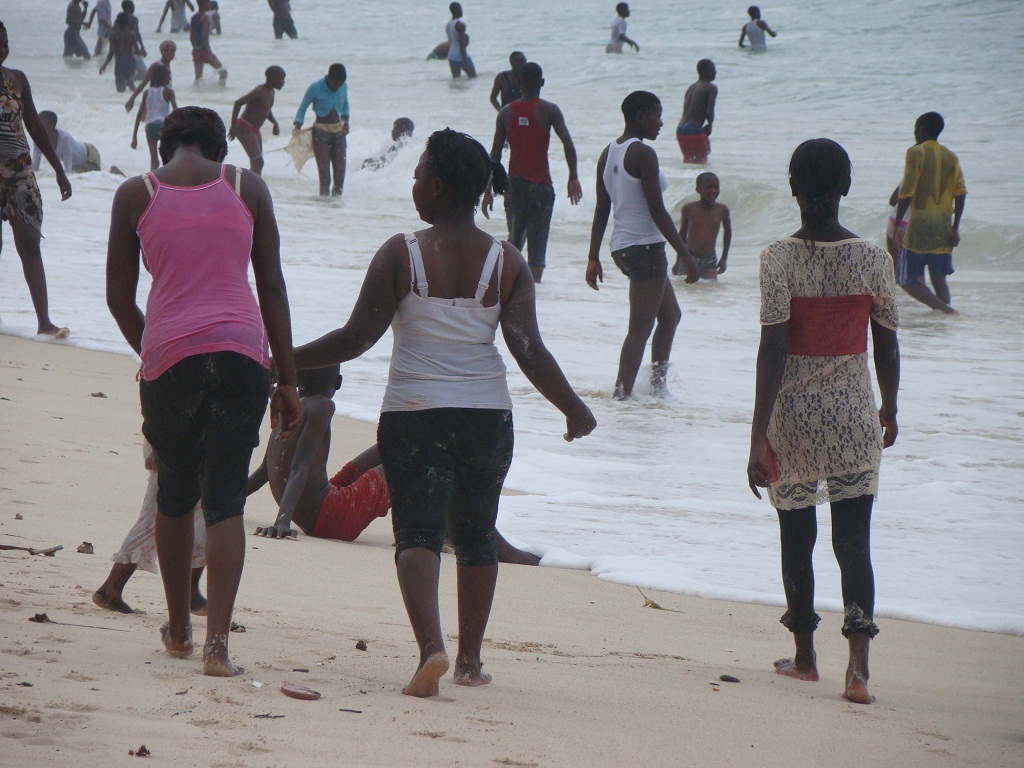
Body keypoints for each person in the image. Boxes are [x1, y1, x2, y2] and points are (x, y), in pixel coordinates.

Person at [288, 128, 596, 697]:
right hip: (486, 417)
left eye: (417, 174)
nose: (413, 183)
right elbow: (528, 349)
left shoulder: (401, 252)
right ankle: (471, 662)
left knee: (418, 534)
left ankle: (431, 649)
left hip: (414, 413)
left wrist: (282, 361)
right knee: (476, 535)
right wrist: (573, 408)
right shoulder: (506, 260)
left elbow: (356, 338)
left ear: (437, 186)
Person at [106, 105, 301, 676]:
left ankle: (179, 631)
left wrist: (155, 351)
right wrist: (288, 380)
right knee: (225, 502)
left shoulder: (135, 194)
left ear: (163, 148)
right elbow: (272, 286)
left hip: (170, 355)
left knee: (174, 495)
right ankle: (218, 648)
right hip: (243, 352)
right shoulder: (248, 187)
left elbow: (118, 298)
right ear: (221, 150)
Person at [746, 138, 900, 706]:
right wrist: (890, 407)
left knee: (797, 538)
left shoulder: (777, 258)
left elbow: (773, 350)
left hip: (793, 421)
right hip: (854, 417)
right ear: (847, 185)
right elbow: (886, 345)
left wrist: (757, 437)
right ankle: (857, 671)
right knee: (854, 542)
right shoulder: (874, 258)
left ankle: (806, 658)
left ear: (792, 187)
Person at [248, 365, 540, 565]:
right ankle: (465, 534)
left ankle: (448, 525)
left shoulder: (289, 408)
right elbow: (299, 467)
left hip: (320, 507)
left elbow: (265, 471)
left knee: (394, 442)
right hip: (331, 516)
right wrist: (282, 522)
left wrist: (230, 500)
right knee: (416, 459)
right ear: (338, 382)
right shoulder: (323, 405)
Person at [585, 91, 698, 400]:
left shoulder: (608, 152)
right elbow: (657, 210)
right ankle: (621, 396)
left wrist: (593, 256)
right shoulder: (644, 154)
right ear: (640, 117)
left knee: (670, 317)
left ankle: (658, 389)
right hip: (646, 249)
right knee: (640, 328)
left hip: (623, 248)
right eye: (657, 116)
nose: (661, 123)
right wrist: (685, 253)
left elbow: (601, 209)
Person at [0, 20, 73, 338]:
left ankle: (44, 322)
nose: (2, 50)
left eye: (5, 44)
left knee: (30, 243)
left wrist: (58, 169)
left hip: (19, 173)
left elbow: (34, 126)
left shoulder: (17, 79)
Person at [483, 62, 583, 283]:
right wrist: (573, 177)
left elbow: (494, 155)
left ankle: (507, 291)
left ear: (519, 82)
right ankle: (535, 293)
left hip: (514, 187)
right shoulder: (549, 110)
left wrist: (488, 189)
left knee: (514, 243)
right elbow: (568, 144)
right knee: (537, 250)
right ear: (542, 82)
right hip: (541, 187)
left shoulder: (505, 112)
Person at [93, 438, 207, 616]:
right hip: (175, 443)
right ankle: (189, 593)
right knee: (201, 514)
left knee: (154, 520)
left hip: (177, 443)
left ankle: (112, 588)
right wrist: (158, 447)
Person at [893, 112, 966, 314]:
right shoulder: (951, 157)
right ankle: (943, 324)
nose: (914, 133)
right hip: (943, 227)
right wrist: (955, 227)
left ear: (922, 130)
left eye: (915, 129)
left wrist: (898, 224)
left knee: (905, 278)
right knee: (938, 279)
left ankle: (946, 311)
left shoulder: (915, 152)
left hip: (919, 226)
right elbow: (961, 193)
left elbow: (907, 191)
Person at [293, 63, 348, 197]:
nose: (338, 86)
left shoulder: (343, 87)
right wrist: (297, 126)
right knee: (325, 177)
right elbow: (302, 108)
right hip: (320, 134)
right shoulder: (315, 88)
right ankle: (323, 206)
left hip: (338, 132)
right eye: (335, 83)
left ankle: (336, 205)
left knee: (340, 176)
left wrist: (346, 121)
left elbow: (346, 104)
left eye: (340, 84)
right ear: (329, 77)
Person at [228, 66, 284, 176]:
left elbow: (267, 110)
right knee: (258, 162)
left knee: (257, 163)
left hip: (255, 129)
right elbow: (238, 103)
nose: (283, 82)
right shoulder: (259, 91)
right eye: (281, 79)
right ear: (272, 78)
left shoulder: (271, 92)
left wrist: (274, 123)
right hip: (244, 127)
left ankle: (251, 184)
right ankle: (251, 184)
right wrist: (233, 126)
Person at [676, 172, 730, 279]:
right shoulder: (689, 209)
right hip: (689, 257)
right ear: (698, 190)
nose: (713, 190)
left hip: (710, 258)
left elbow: (728, 234)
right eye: (709, 187)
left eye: (716, 187)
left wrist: (724, 259)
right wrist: (678, 260)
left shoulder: (722, 210)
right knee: (686, 287)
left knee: (710, 287)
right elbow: (682, 235)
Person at [131, 64, 175, 170]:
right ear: (163, 77)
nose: (169, 78)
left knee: (154, 160)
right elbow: (176, 111)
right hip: (163, 126)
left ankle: (152, 179)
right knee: (168, 159)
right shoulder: (168, 92)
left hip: (149, 127)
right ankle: (167, 179)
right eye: (168, 76)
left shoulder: (147, 92)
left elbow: (139, 115)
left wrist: (134, 137)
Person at [32, 111, 102, 173]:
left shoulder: (65, 138)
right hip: (75, 164)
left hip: (90, 153)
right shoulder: (38, 140)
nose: (37, 124)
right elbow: (35, 166)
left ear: (51, 125)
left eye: (41, 121)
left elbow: (68, 167)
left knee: (96, 177)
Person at [676, 59, 716, 165]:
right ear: (709, 72)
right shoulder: (711, 87)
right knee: (701, 164)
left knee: (688, 163)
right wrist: (710, 125)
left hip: (680, 129)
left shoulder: (691, 87)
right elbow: (709, 110)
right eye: (714, 69)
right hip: (694, 130)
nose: (715, 72)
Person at [124, 39, 175, 113]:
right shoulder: (156, 66)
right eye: (166, 50)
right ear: (161, 51)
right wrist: (131, 99)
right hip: (154, 102)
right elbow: (143, 83)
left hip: (163, 102)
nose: (169, 53)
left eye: (172, 50)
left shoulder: (167, 66)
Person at [98, 12, 140, 93]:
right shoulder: (132, 34)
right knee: (131, 83)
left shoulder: (113, 34)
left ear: (117, 22)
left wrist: (104, 65)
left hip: (120, 63)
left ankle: (121, 100)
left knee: (120, 90)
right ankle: (135, 95)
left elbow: (111, 53)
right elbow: (137, 51)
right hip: (131, 61)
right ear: (127, 23)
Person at [190, 0, 226, 85]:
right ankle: (220, 90)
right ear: (204, 4)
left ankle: (196, 91)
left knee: (198, 78)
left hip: (196, 49)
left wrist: (195, 48)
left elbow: (191, 36)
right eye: (208, 3)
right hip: (204, 50)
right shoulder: (205, 17)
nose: (209, 5)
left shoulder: (194, 17)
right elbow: (204, 35)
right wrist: (209, 52)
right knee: (223, 72)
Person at [445, 3, 475, 79]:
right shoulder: (460, 25)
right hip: (461, 56)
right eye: (461, 9)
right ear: (457, 10)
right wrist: (464, 61)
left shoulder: (448, 24)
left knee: (456, 80)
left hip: (451, 56)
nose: (462, 11)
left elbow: (451, 41)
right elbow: (461, 44)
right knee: (473, 77)